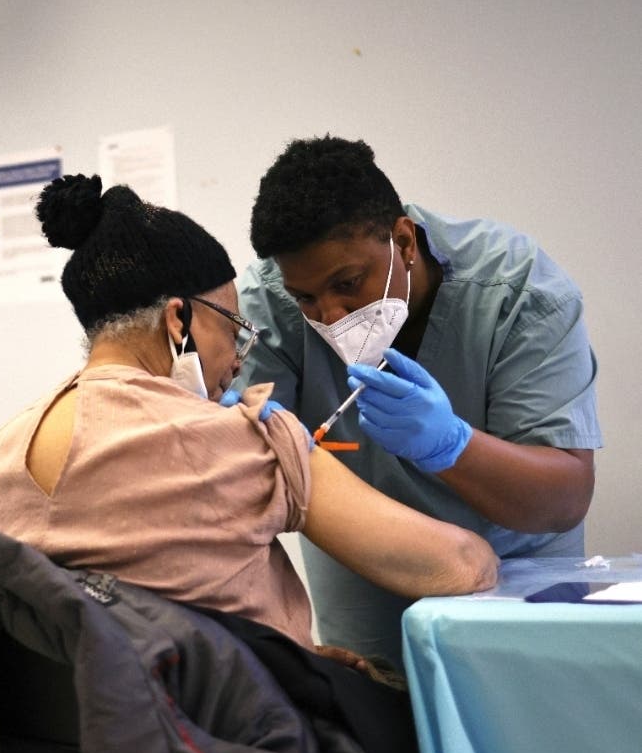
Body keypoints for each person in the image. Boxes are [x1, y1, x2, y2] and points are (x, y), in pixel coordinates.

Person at [0, 174, 497, 753]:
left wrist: (286, 653)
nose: (237, 357)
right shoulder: (240, 438)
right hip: (238, 751)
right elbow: (461, 566)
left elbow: (126, 622)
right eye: (233, 328)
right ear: (179, 320)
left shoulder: (10, 446)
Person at [237, 135, 602, 670]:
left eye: (349, 283)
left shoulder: (519, 293)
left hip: (513, 564)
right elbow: (257, 459)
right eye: (308, 298)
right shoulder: (271, 301)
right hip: (367, 569)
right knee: (379, 722)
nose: (331, 315)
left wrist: (451, 446)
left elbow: (565, 497)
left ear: (404, 242)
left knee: (524, 724)